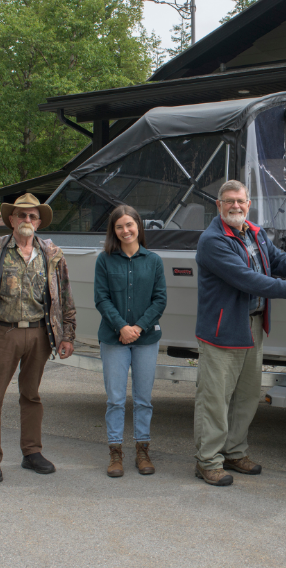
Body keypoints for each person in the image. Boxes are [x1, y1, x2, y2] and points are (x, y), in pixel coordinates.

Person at [193, 180, 286, 486]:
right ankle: (208, 461)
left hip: (252, 325)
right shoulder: (213, 240)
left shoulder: (254, 232)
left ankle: (234, 452)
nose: (235, 206)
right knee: (214, 399)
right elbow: (250, 280)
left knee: (247, 396)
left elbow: (278, 262)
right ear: (219, 205)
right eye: (229, 201)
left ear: (248, 204)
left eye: (240, 201)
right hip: (221, 330)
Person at [0, 193, 76, 484]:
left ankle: (32, 452)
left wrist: (67, 334)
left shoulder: (52, 254)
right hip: (3, 332)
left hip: (40, 333)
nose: (27, 220)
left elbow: (64, 295)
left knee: (32, 395)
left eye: (32, 216)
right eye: (22, 215)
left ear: (39, 222)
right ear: (11, 219)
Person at [94, 205, 167, 478]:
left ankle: (142, 450)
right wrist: (122, 327)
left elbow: (160, 299)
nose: (126, 230)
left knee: (143, 399)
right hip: (113, 339)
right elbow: (101, 298)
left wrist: (137, 327)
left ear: (139, 225)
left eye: (130, 224)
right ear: (114, 231)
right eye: (119, 226)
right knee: (114, 399)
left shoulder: (154, 261)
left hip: (146, 339)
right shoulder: (105, 260)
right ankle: (115, 452)